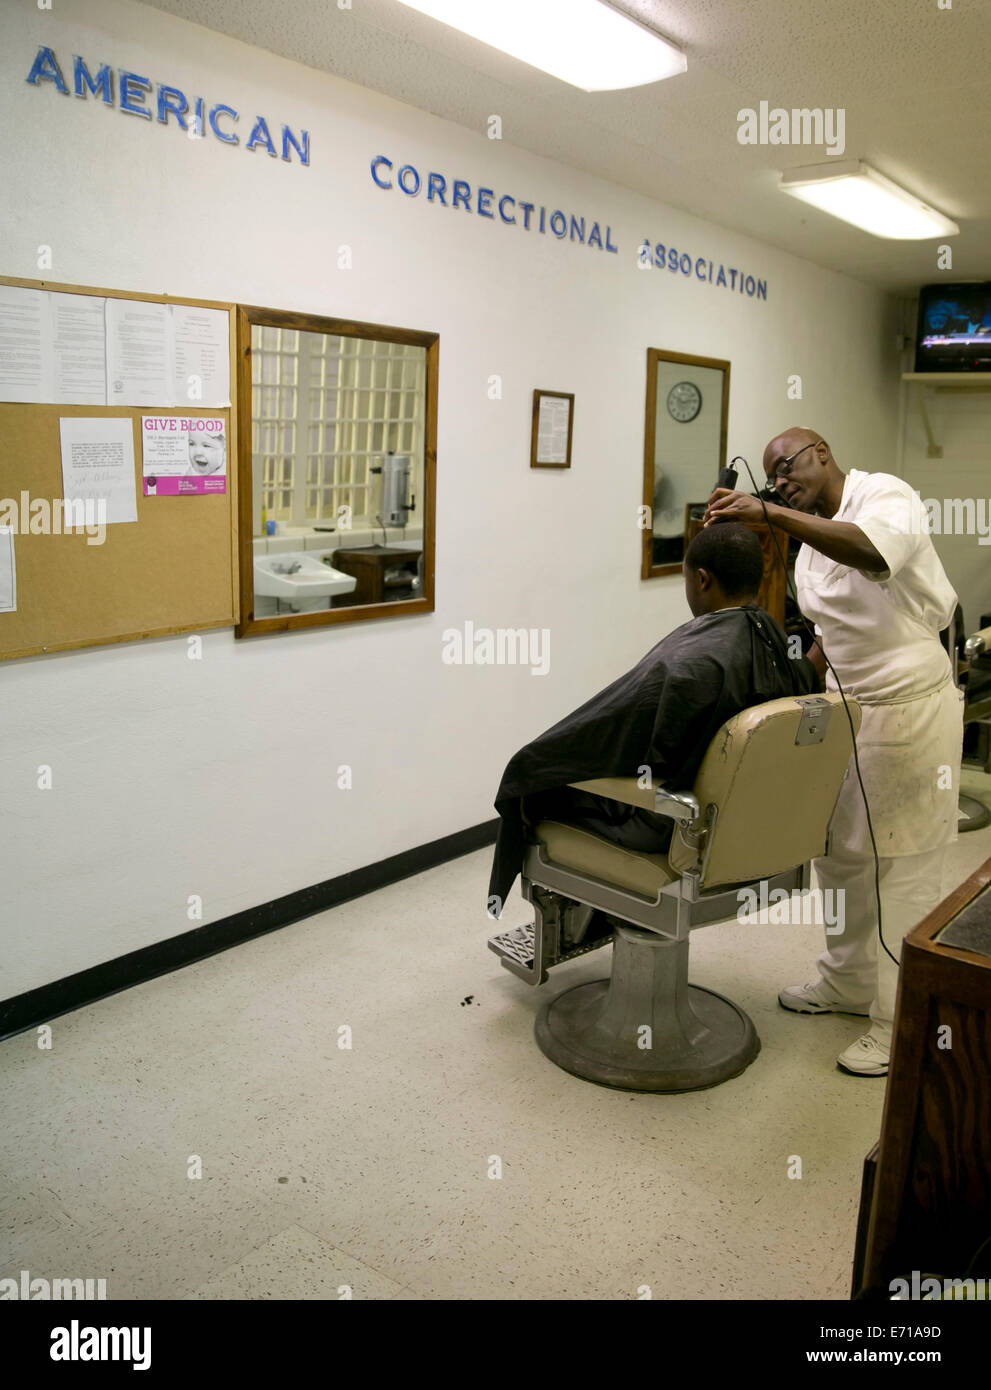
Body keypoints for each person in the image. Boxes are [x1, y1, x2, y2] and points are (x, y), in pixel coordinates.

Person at [704, 427, 963, 1076]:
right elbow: (829, 638)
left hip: (911, 710)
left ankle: (895, 1020)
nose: (780, 480)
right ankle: (845, 983)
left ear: (820, 451)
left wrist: (768, 512)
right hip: (847, 714)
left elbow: (873, 555)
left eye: (786, 467)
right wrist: (785, 700)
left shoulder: (884, 496)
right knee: (841, 856)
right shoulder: (805, 548)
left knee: (901, 864)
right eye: (770, 478)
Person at [487, 523, 818, 916]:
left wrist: (533, 765)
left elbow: (652, 765)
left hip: (670, 826)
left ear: (701, 578)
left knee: (536, 784)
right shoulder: (782, 643)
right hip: (753, 823)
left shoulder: (691, 666)